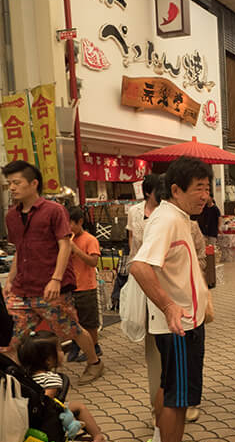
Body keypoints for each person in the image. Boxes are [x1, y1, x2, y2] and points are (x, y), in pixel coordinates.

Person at [130, 157, 210, 442]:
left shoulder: (177, 217)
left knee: (170, 389)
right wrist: (169, 306)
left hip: (186, 321)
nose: (205, 196)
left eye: (208, 188)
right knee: (178, 398)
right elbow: (140, 266)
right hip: (179, 327)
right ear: (175, 190)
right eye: (199, 189)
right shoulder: (167, 221)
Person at [2, 161, 103, 383]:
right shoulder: (11, 216)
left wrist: (56, 279)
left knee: (72, 330)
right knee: (10, 337)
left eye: (17, 182)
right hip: (22, 289)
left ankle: (94, 362)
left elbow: (65, 246)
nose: (12, 187)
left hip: (51, 288)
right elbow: (20, 249)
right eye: (9, 183)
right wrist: (10, 280)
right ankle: (18, 379)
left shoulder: (54, 211)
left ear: (33, 183)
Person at [18, 334, 111, 442]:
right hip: (43, 417)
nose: (62, 352)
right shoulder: (51, 379)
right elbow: (46, 403)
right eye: (60, 349)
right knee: (79, 407)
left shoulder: (23, 378)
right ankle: (98, 437)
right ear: (49, 360)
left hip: (25, 415)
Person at [67, 208, 102, 362]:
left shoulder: (90, 239)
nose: (67, 228)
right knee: (73, 320)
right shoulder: (67, 239)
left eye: (70, 224)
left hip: (86, 287)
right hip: (70, 287)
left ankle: (95, 347)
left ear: (80, 222)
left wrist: (76, 250)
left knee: (89, 321)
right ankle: (76, 344)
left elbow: (93, 262)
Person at [126, 174, 161, 259]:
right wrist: (134, 254)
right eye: (157, 191)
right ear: (147, 193)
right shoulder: (133, 211)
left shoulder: (164, 211)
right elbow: (131, 235)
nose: (160, 194)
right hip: (138, 259)